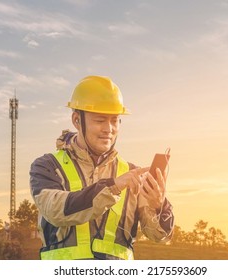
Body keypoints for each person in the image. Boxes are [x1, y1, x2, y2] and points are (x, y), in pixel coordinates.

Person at [30, 75, 174, 260]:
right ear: (76, 120)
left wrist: (158, 205)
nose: (109, 129)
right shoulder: (47, 166)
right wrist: (113, 187)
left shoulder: (132, 174)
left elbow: (161, 237)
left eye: (114, 120)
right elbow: (55, 210)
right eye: (100, 120)